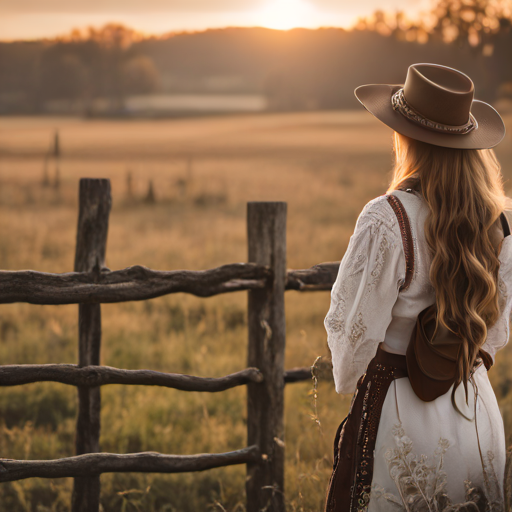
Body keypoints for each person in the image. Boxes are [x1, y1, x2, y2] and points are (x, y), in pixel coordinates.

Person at [323, 63, 512, 512]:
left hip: (400, 413)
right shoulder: (502, 222)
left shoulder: (387, 218)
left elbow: (352, 339)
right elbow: (498, 333)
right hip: (475, 408)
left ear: (404, 137)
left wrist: (350, 381)